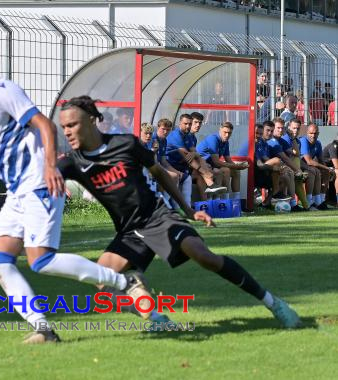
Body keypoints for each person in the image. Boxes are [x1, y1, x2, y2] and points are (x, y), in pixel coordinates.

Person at [0, 44, 151, 344]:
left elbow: (44, 125)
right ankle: (43, 330)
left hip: (38, 185)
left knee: (41, 261)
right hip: (17, 194)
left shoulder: (0, 89)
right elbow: (3, 158)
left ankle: (124, 282)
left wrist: (51, 167)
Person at [57, 95, 301, 329]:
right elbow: (41, 178)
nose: (66, 131)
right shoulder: (72, 162)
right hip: (129, 232)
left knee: (205, 257)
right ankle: (156, 318)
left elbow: (160, 172)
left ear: (90, 121)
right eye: (63, 126)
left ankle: (274, 303)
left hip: (158, 217)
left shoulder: (125, 144)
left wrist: (188, 209)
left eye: (72, 125)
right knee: (102, 283)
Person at [166, 113, 226, 199]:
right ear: (180, 123)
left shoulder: (190, 136)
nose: (188, 126)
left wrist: (204, 167)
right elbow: (188, 158)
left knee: (202, 174)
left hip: (183, 167)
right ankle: (211, 187)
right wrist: (205, 172)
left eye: (189, 124)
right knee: (207, 172)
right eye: (185, 124)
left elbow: (196, 154)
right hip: (173, 167)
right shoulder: (176, 135)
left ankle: (206, 203)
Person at [196, 122, 249, 201]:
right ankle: (223, 201)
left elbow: (228, 160)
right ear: (220, 130)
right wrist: (236, 166)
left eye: (229, 133)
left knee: (236, 172)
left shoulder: (225, 142)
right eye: (225, 132)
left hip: (211, 165)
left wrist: (239, 166)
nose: (227, 135)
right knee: (225, 170)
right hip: (201, 166)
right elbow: (216, 162)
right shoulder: (213, 139)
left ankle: (236, 202)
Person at [252, 124, 292, 206]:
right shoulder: (254, 144)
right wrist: (274, 168)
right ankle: (276, 192)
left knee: (285, 176)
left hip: (263, 171)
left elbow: (266, 159)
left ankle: (266, 204)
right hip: (254, 174)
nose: (270, 133)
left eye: (271, 131)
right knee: (277, 162)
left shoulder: (263, 143)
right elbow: (260, 165)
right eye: (267, 130)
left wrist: (281, 168)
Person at [299, 123, 332, 210]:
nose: (313, 135)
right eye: (311, 133)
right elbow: (309, 161)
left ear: (318, 134)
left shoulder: (318, 143)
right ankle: (309, 201)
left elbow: (321, 160)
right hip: (298, 167)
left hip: (308, 167)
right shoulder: (303, 141)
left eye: (315, 133)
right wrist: (326, 167)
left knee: (326, 172)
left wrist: (328, 170)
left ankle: (320, 200)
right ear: (307, 133)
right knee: (313, 171)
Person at [321, 134, 338, 204]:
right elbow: (336, 165)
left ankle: (332, 199)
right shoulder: (334, 146)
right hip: (322, 166)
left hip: (331, 167)